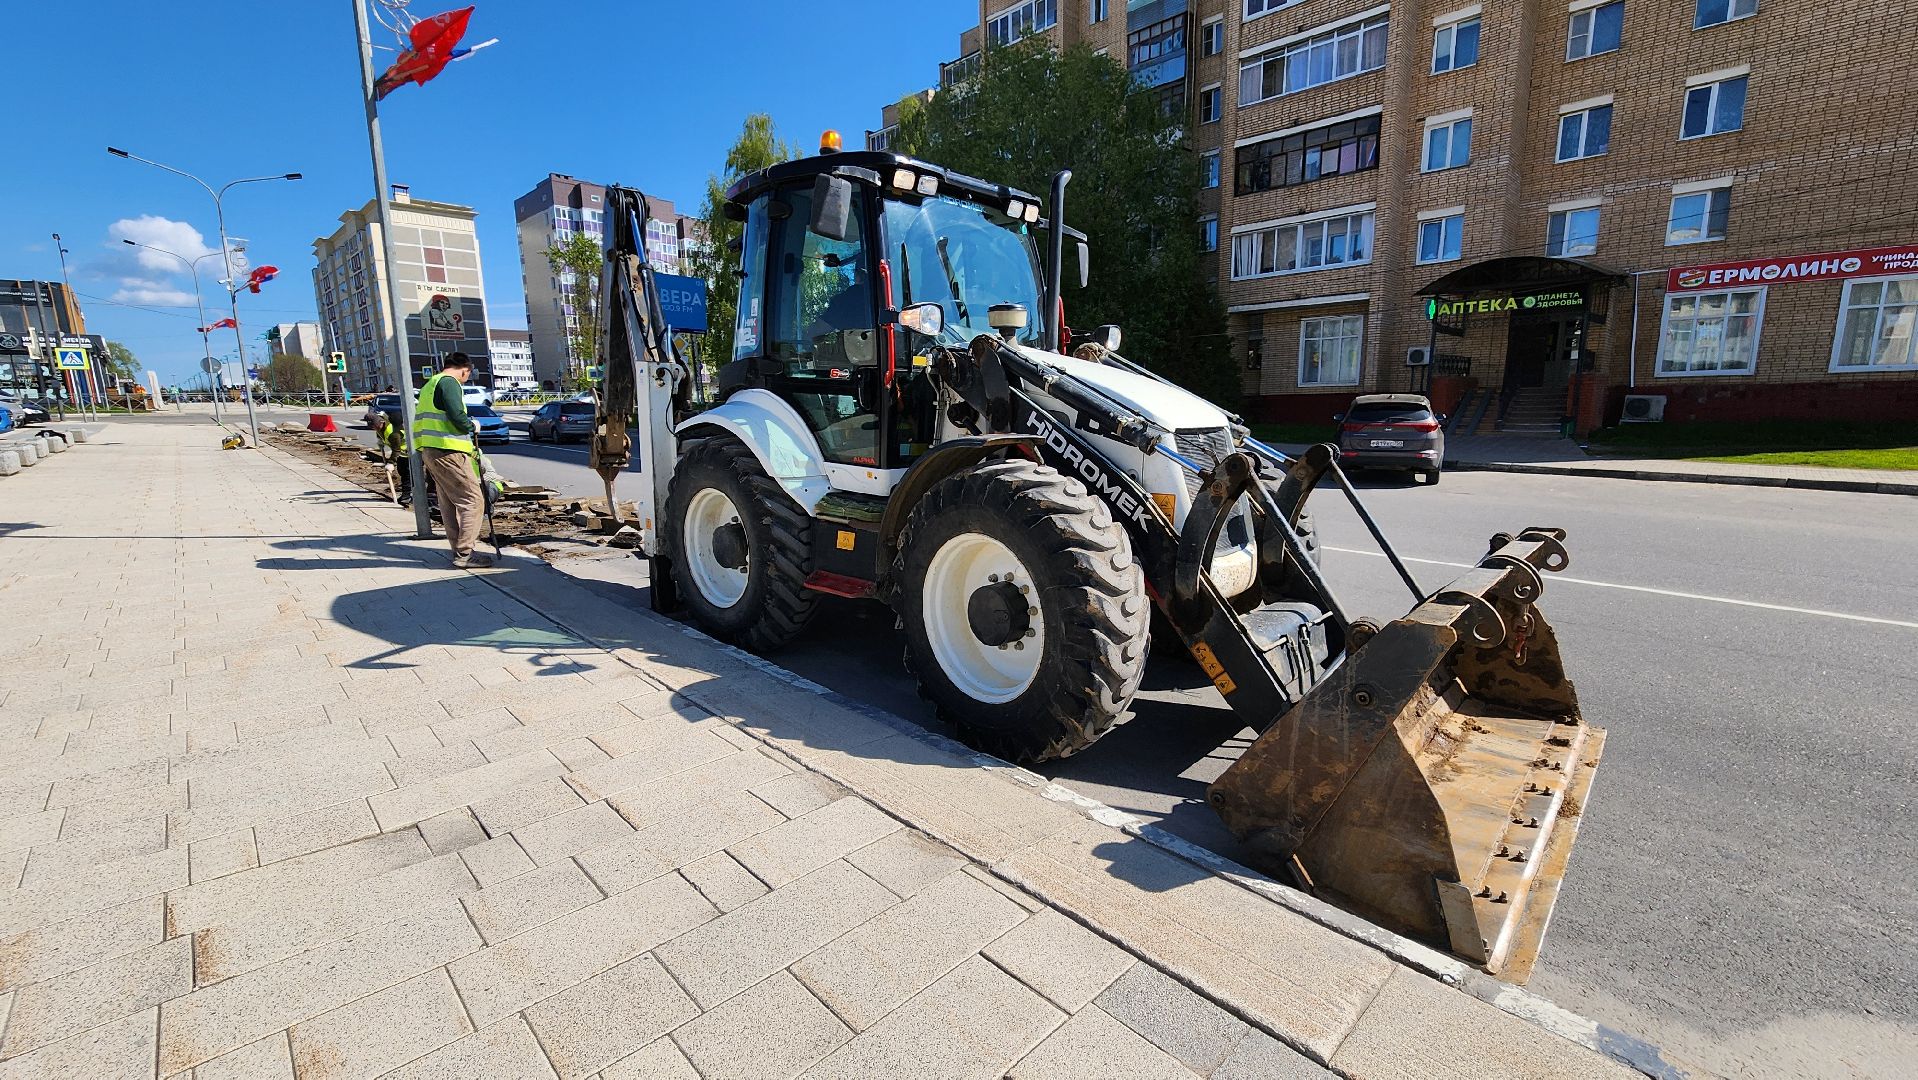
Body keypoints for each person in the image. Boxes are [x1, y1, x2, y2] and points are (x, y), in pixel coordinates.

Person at [413, 352, 490, 568]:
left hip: (431, 449)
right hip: (448, 450)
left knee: (448, 503)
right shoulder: (449, 382)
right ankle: (465, 553)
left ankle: (458, 551)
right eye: (468, 373)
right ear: (465, 369)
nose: (467, 377)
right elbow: (456, 415)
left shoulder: (430, 384)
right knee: (473, 501)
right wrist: (471, 425)